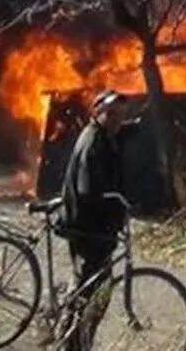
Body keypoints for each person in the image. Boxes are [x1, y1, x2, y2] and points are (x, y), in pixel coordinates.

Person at [59, 90, 133, 350]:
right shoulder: (93, 143)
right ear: (97, 114)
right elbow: (88, 190)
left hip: (98, 227)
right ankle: (70, 343)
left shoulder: (105, 135)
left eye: (122, 116)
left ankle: (77, 341)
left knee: (93, 288)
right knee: (89, 292)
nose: (117, 121)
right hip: (87, 227)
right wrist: (115, 202)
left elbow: (122, 133)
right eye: (111, 115)